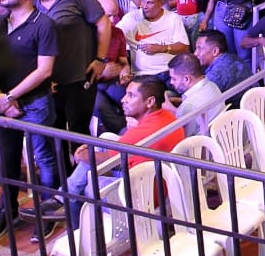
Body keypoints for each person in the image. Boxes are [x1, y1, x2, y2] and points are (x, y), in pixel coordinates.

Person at [0, 0, 60, 240]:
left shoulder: (44, 24)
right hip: (3, 102)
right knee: (8, 158)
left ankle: (49, 212)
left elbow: (44, 70)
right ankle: (8, 210)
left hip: (35, 102)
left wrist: (11, 96)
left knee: (43, 158)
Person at [57, 76, 185, 225]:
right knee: (105, 139)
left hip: (145, 197)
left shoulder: (140, 133)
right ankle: (65, 194)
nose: (123, 100)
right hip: (160, 181)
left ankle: (78, 229)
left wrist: (81, 154)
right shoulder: (168, 116)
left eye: (131, 95)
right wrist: (90, 150)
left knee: (88, 185)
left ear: (150, 102)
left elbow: (104, 159)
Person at [28, 0, 110, 146]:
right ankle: (63, 165)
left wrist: (100, 58)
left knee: (78, 130)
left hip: (79, 74)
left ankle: (82, 165)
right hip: (49, 79)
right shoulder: (32, 2)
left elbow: (103, 23)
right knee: (53, 130)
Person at [167, 52, 223, 136]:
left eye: (174, 79)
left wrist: (170, 110)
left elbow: (184, 136)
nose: (171, 82)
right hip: (220, 134)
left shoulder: (188, 106)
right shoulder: (212, 85)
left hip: (201, 142)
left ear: (187, 79)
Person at [194, 29, 248, 95]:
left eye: (200, 48)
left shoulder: (217, 73)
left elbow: (199, 97)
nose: (195, 53)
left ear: (215, 51)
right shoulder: (230, 57)